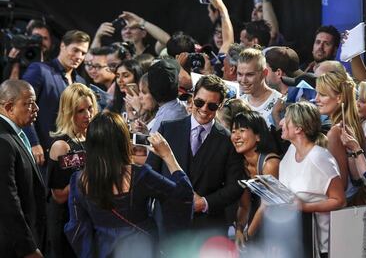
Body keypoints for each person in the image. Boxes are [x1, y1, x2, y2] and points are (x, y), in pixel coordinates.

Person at [64, 111, 194, 258]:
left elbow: (77, 227)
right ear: (123, 141)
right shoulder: (140, 175)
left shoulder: (79, 180)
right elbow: (183, 196)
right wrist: (168, 155)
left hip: (104, 251)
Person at [146, 75, 245, 233]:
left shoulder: (228, 141)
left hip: (206, 228)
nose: (204, 109)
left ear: (220, 105)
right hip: (167, 223)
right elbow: (150, 174)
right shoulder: (168, 129)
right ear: (192, 99)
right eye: (200, 102)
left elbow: (235, 186)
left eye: (211, 106)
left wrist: (205, 202)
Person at [279, 101, 346, 258]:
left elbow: (339, 200)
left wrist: (305, 207)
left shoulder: (320, 157)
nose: (281, 122)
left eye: (285, 119)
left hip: (320, 246)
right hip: (295, 237)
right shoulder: (291, 150)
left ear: (298, 128)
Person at [22, 30, 90, 167]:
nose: (79, 56)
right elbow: (24, 107)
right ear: (63, 46)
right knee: (49, 187)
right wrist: (33, 143)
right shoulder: (40, 70)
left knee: (69, 186)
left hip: (72, 154)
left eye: (83, 53)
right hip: (43, 153)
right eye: (75, 50)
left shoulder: (81, 82)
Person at [46, 83, 98, 258]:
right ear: (68, 113)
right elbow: (59, 195)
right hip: (67, 223)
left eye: (90, 108)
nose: (88, 115)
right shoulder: (63, 146)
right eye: (80, 111)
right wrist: (91, 175)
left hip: (91, 219)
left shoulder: (93, 138)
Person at [0, 80, 46, 257]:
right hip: (13, 247)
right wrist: (27, 248)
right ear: (10, 107)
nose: (36, 108)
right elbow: (6, 201)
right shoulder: (3, 140)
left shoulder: (14, 134)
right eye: (30, 103)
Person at [231, 111, 280, 249]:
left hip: (278, 228)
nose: (236, 136)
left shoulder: (270, 163)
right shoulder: (241, 164)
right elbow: (244, 205)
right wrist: (239, 229)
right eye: (233, 131)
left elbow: (267, 205)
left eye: (242, 130)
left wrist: (247, 237)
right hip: (258, 224)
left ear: (258, 136)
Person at [315, 70, 365, 200]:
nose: (316, 99)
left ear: (339, 98)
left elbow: (340, 183)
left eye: (322, 94)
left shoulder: (336, 131)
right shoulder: (351, 123)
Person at [237, 48, 282, 126]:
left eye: (250, 74)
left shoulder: (279, 103)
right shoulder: (238, 102)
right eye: (240, 74)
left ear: (264, 73)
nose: (243, 80)